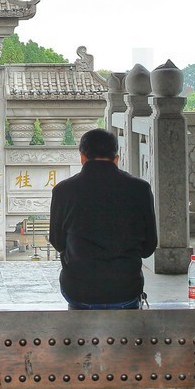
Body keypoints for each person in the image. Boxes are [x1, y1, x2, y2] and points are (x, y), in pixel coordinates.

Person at [49, 128, 157, 309]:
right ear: (116, 158)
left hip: (79, 290)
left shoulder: (63, 190)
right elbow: (148, 247)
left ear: (82, 157)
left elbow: (57, 242)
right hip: (126, 289)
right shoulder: (140, 189)